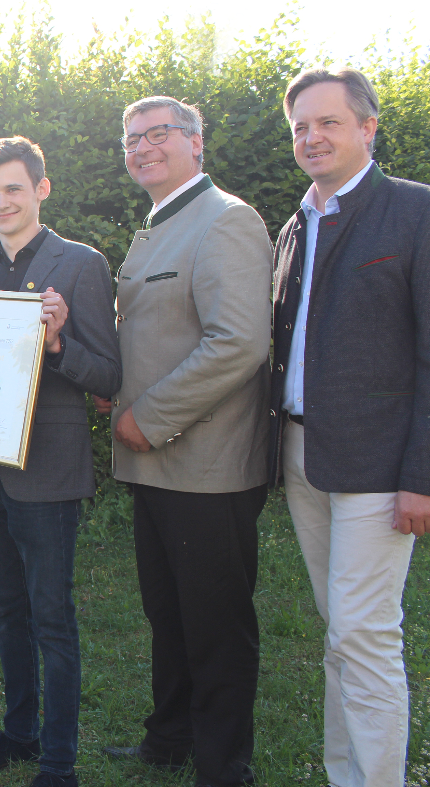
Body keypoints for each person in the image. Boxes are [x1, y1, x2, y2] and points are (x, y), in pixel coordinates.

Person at [0, 136, 122, 787]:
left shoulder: (82, 264)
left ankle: (59, 758)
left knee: (51, 617)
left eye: (12, 188)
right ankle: (18, 732)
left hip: (48, 470)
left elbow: (109, 374)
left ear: (41, 188)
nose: (0, 201)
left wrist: (60, 340)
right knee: (8, 610)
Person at [96, 97, 272, 787]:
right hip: (155, 461)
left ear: (197, 143)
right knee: (167, 614)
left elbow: (238, 342)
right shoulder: (158, 225)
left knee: (216, 625)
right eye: (131, 137)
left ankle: (224, 765)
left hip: (207, 465)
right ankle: (169, 738)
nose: (142, 146)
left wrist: (148, 412)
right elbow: (157, 330)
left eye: (158, 134)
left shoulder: (226, 220)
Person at [269, 66, 430, 787]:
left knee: (365, 634)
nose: (312, 136)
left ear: (368, 128)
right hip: (303, 454)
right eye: (301, 125)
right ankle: (348, 775)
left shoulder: (415, 212)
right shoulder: (295, 222)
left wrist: (421, 477)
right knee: (342, 631)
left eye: (328, 122)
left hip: (378, 463)